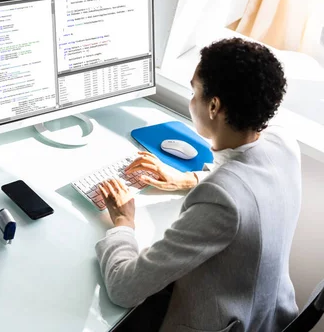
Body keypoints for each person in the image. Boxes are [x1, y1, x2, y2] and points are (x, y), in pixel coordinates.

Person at [96, 38, 301, 332]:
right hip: (268, 314)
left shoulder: (222, 199)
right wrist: (190, 178)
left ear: (214, 106)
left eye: (194, 91)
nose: (190, 101)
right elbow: (250, 190)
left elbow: (123, 288)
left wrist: (123, 224)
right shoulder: (283, 142)